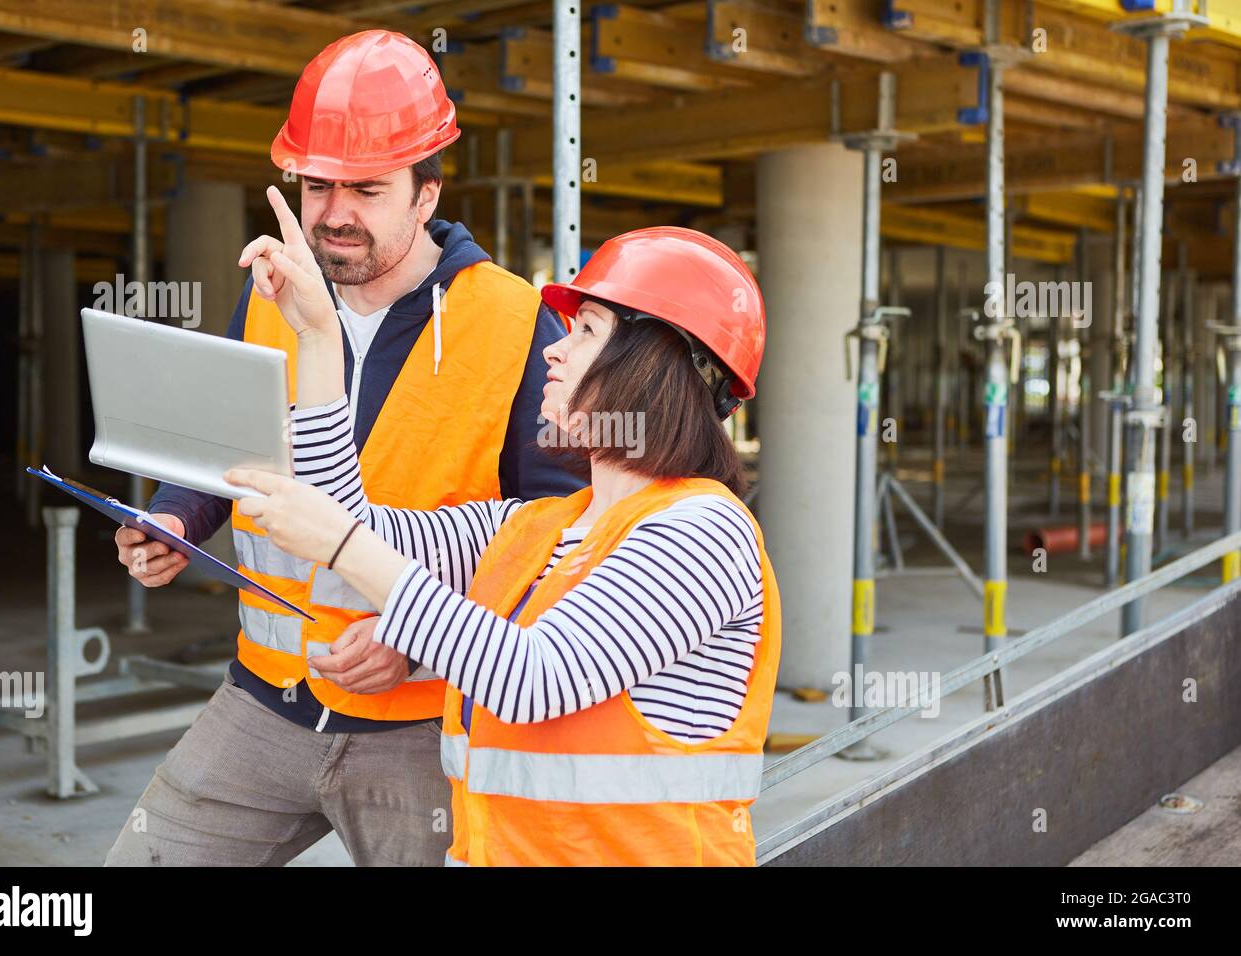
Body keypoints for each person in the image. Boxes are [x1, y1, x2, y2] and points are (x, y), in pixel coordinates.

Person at [105, 30, 582, 867]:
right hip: (264, 702)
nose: (334, 213)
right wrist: (175, 518)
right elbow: (231, 451)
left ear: (426, 194)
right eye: (317, 185)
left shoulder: (512, 320)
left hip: (423, 722)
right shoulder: (270, 299)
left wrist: (417, 632)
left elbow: (556, 528)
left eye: (367, 188)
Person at [226, 219, 782, 866]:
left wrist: (345, 543)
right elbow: (348, 521)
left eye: (586, 331)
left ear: (654, 368)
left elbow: (534, 677)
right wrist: (318, 338)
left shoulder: (702, 534)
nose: (555, 349)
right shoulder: (534, 527)